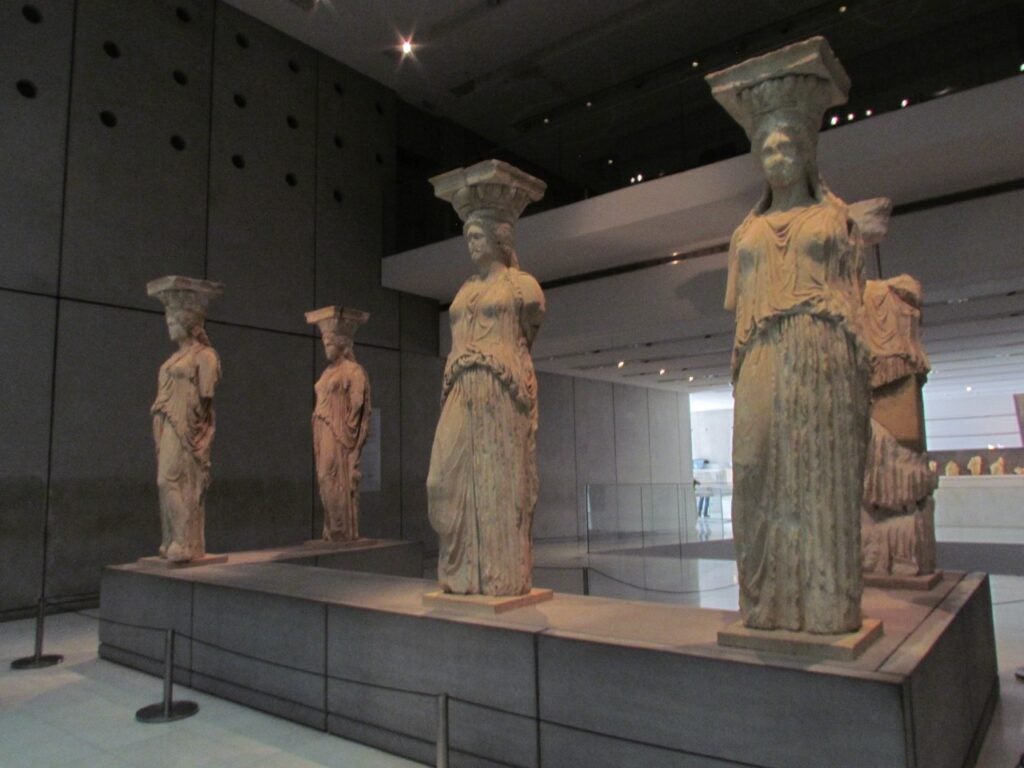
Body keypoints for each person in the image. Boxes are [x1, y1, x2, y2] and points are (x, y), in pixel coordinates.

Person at [708, 39, 871, 633]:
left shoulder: (835, 218)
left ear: (806, 153)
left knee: (816, 477)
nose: (776, 156)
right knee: (753, 469)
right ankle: (769, 601)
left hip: (819, 353)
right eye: (766, 147)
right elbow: (737, 306)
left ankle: (825, 604)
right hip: (759, 356)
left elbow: (855, 307)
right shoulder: (745, 232)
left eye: (786, 145)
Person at [427, 175, 546, 595]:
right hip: (461, 387)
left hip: (500, 389)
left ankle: (499, 575)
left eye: (478, 235)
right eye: (468, 236)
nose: (472, 244)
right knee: (442, 480)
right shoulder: (464, 290)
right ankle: (461, 571)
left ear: (499, 238)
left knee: (499, 482)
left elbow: (526, 333)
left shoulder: (522, 286)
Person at [149, 277, 222, 563]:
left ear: (189, 322)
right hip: (167, 423)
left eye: (173, 319)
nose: (169, 324)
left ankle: (183, 539)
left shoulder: (205, 356)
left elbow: (206, 396)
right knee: (165, 482)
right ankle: (171, 539)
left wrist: (200, 435)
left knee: (170, 481)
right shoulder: (176, 357)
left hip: (186, 428)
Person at [307, 307, 372, 542]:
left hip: (339, 432)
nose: (326, 347)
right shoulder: (326, 372)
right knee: (324, 477)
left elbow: (358, 405)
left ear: (343, 344)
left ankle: (341, 527)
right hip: (323, 427)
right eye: (324, 343)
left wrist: (350, 434)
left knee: (331, 475)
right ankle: (333, 527)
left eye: (330, 343)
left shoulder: (354, 371)